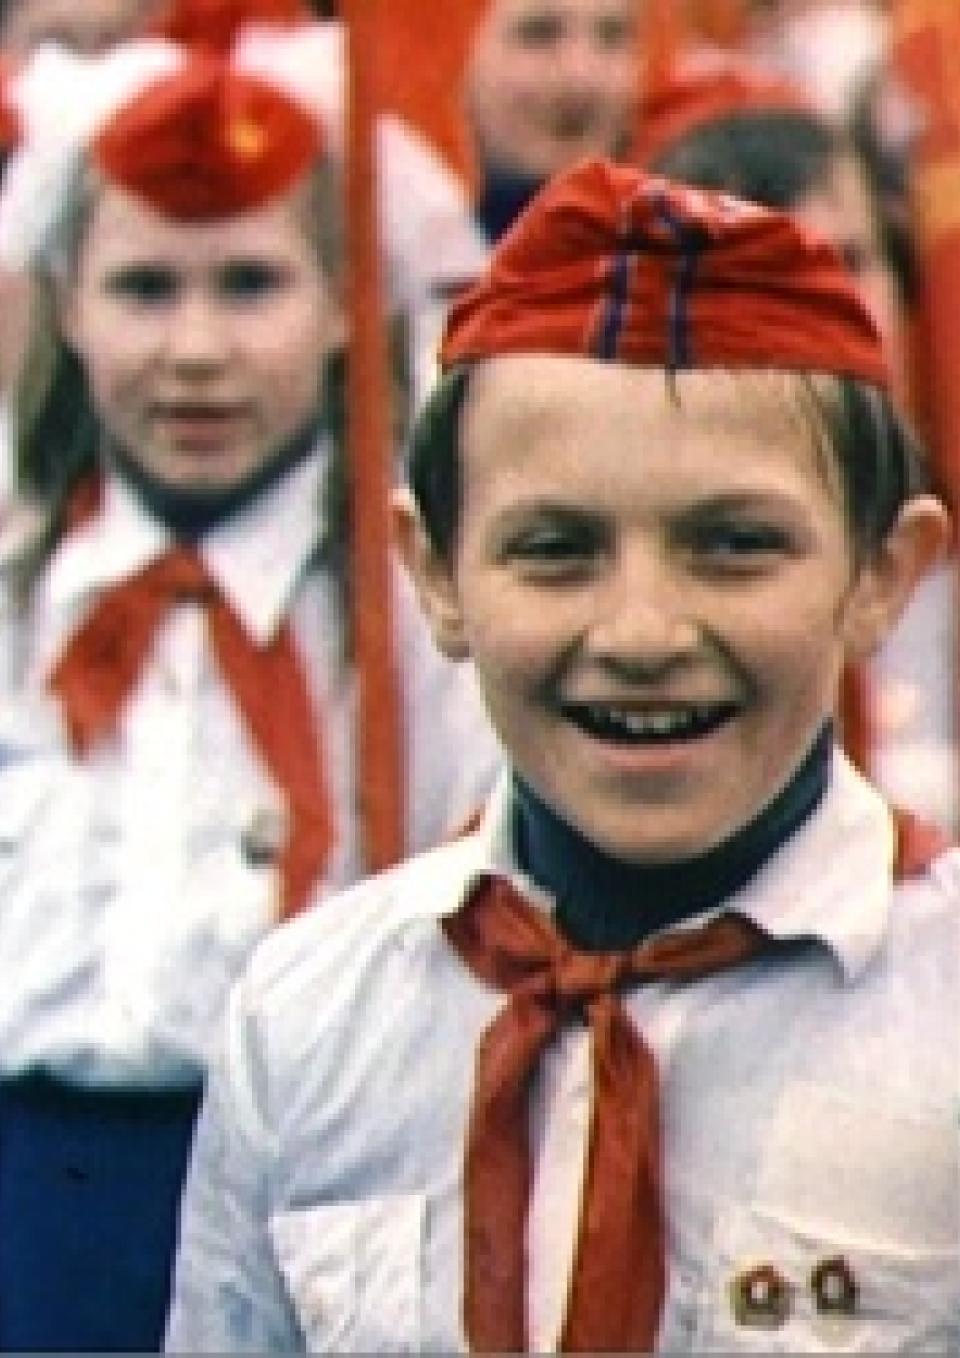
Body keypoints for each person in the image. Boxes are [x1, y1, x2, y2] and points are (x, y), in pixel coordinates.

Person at [165, 158, 958, 1352]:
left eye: (736, 545)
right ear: (434, 573)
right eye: (555, 549)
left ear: (881, 576)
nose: (641, 633)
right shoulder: (308, 1018)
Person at [0, 3, 501, 1350]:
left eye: (251, 285)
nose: (197, 352)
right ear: (69, 305)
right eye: (147, 289)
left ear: (347, 308)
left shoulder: (416, 618)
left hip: (311, 1197)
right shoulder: (19, 583)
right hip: (30, 1195)